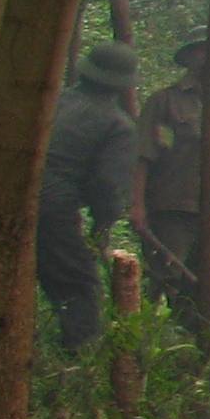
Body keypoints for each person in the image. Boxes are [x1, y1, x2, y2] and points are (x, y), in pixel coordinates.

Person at [37, 41, 137, 351]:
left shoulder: (51, 98)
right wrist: (104, 221)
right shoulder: (118, 125)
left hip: (2, 190)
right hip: (53, 205)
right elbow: (106, 184)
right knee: (78, 285)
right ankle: (79, 359)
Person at [134, 38, 207, 316]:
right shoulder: (164, 101)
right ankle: (139, 343)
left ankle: (190, 348)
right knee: (165, 277)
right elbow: (144, 155)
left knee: (199, 286)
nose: (207, 57)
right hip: (170, 206)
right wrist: (138, 205)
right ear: (188, 57)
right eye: (201, 50)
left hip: (207, 211)